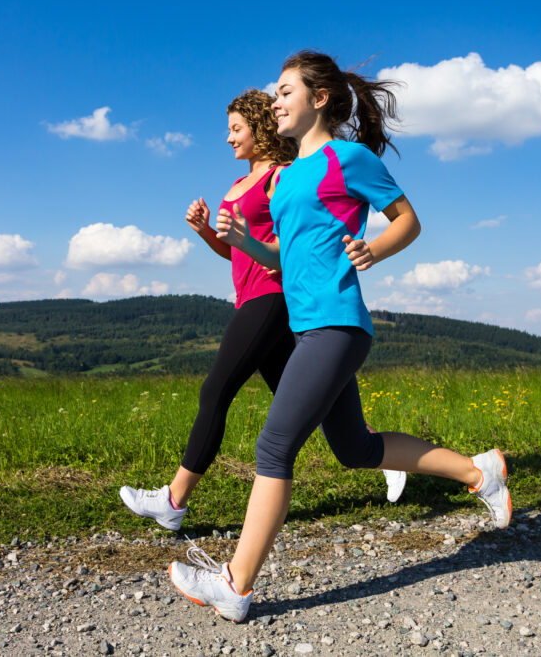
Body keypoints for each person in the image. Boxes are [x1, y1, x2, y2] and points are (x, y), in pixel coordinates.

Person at [168, 51, 512, 622]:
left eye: (284, 92)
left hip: (338, 322)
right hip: (307, 328)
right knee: (356, 449)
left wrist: (372, 249)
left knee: (274, 446)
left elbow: (407, 219)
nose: (273, 102)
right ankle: (481, 472)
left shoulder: (346, 158)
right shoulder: (286, 181)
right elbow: (282, 258)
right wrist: (239, 239)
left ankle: (236, 583)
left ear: (318, 99)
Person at [119, 89, 407, 533]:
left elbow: (286, 248)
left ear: (260, 128)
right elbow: (238, 254)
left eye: (237, 128)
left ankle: (173, 500)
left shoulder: (281, 176)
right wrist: (206, 233)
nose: (229, 137)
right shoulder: (240, 184)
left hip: (272, 296)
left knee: (216, 390)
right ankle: (377, 452)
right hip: (250, 293)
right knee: (316, 407)